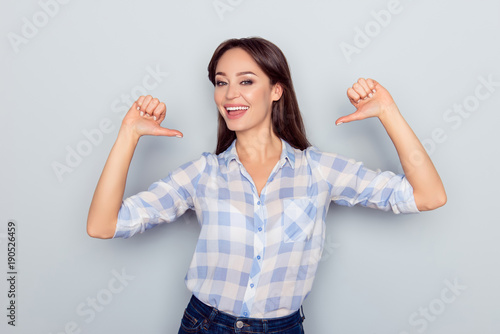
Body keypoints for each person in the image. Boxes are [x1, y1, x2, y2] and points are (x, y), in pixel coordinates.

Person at [87, 37, 446, 334]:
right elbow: (103, 225)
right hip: (205, 324)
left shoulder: (318, 170)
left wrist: (388, 112)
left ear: (276, 90)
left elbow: (427, 196)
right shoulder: (203, 173)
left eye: (246, 81)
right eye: (221, 82)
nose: (230, 94)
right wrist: (128, 136)